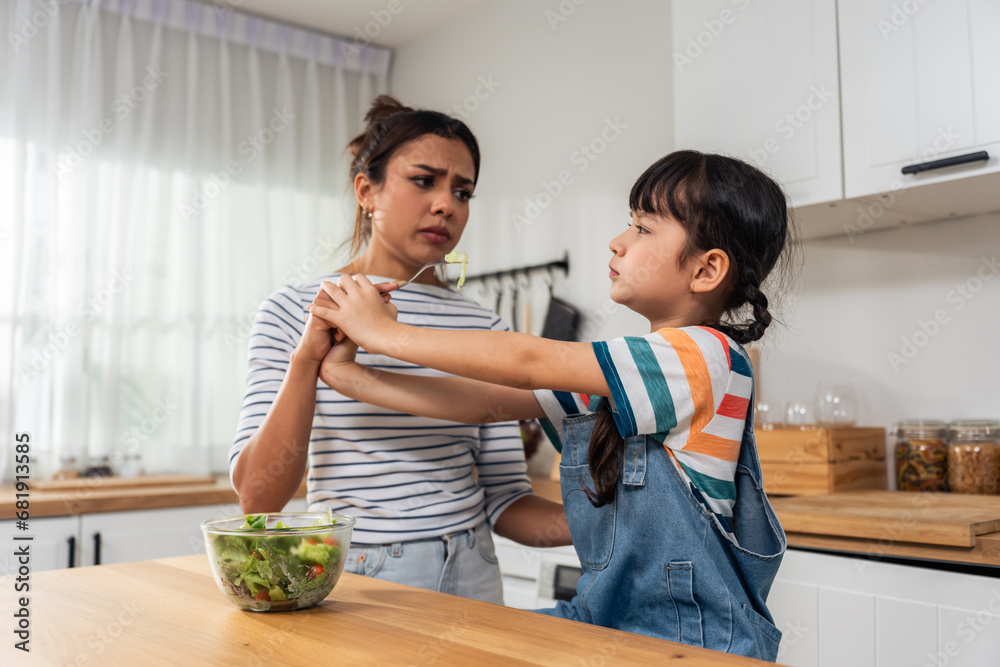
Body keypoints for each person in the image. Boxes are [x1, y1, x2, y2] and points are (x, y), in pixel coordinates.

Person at [309, 150, 794, 661]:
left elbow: (526, 359)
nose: (618, 241)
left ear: (706, 269)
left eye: (644, 229)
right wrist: (349, 375)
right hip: (607, 624)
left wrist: (385, 333)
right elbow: (481, 403)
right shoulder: (623, 377)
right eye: (628, 224)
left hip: (690, 643)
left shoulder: (705, 358)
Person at [229, 95, 570, 604]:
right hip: (361, 573)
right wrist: (307, 359)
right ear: (367, 190)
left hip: (474, 568)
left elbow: (505, 500)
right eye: (423, 180)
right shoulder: (294, 308)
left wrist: (623, 523)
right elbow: (260, 497)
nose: (446, 205)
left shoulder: (484, 323)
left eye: (463, 191)